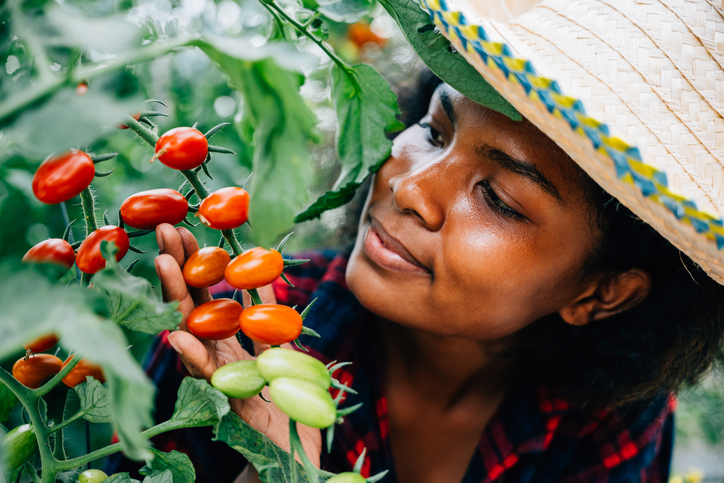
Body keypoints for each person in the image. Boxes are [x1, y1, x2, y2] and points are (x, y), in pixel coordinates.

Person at [107, 0, 724, 481]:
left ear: (604, 293)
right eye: (432, 132)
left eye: (499, 199)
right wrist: (276, 470)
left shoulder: (609, 424)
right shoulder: (232, 326)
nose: (408, 187)